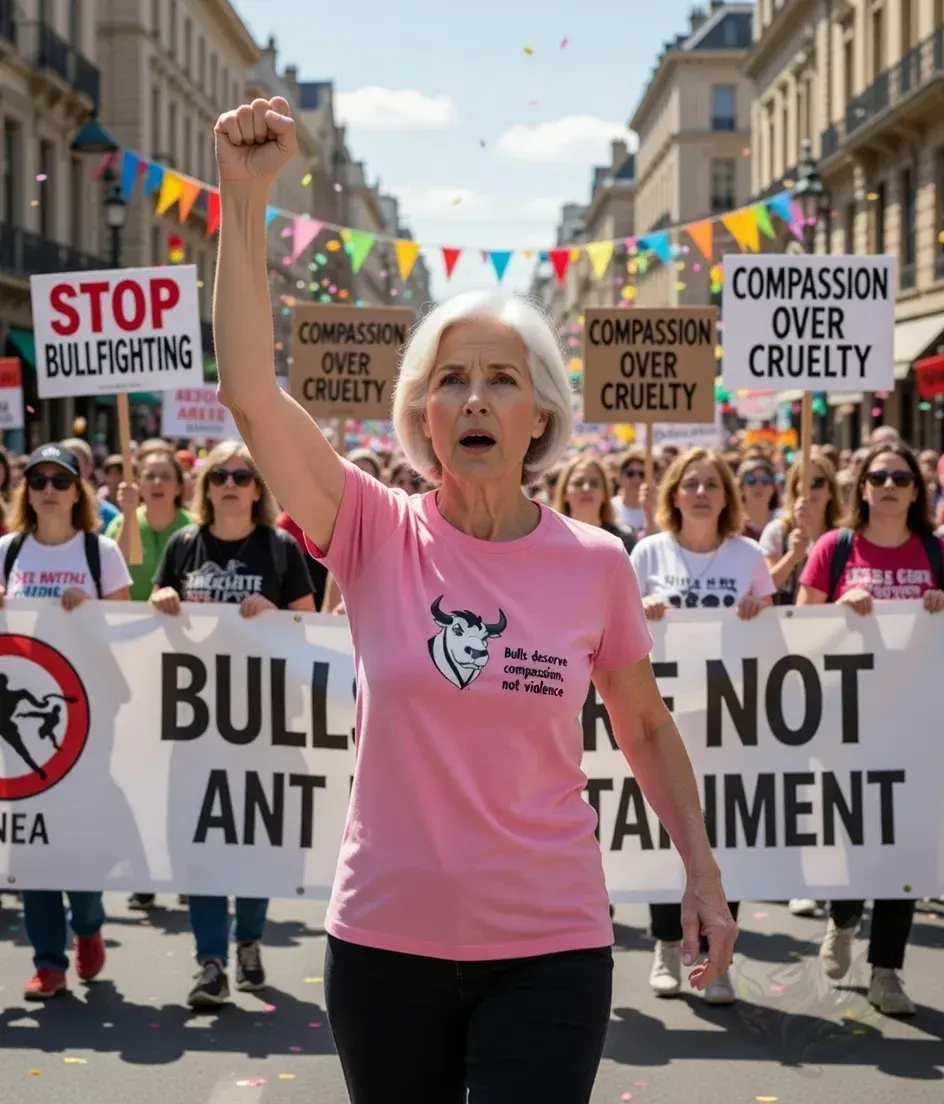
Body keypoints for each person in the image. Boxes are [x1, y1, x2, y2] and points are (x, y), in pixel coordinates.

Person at [210, 94, 737, 1104]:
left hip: (551, 947)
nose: (476, 398)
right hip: (383, 947)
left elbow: (643, 724)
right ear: (422, 415)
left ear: (539, 412)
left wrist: (702, 874)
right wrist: (245, 201)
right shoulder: (369, 528)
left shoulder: (596, 561)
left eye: (501, 379)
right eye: (451, 380)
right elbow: (249, 393)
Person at [150, 438, 316, 1007]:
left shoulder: (279, 548)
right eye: (219, 475)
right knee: (203, 844)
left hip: (261, 725)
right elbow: (156, 619)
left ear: (256, 489)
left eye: (242, 476)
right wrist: (161, 597)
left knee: (253, 840)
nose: (229, 485)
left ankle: (248, 939)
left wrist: (276, 616)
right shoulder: (184, 545)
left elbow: (309, 627)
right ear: (205, 486)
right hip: (196, 726)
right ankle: (211, 962)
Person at [798, 440, 944, 1016]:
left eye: (901, 478)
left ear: (916, 491)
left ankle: (887, 971)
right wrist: (839, 610)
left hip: (916, 728)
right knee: (851, 840)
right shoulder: (834, 549)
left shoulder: (935, 551)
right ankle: (842, 918)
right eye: (878, 477)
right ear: (861, 487)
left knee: (902, 851)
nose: (888, 486)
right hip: (846, 726)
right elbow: (795, 628)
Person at [630, 447, 773, 1004]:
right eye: (690, 483)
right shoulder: (648, 552)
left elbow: (779, 638)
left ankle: (719, 957)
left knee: (723, 842)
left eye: (711, 483)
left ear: (726, 495)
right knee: (664, 833)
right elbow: (618, 625)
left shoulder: (749, 556)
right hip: (663, 719)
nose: (700, 493)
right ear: (673, 493)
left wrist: (761, 612)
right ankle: (667, 946)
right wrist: (642, 608)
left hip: (731, 724)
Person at [0, 443, 131, 999]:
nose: (49, 490)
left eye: (60, 480)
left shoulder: (102, 554)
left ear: (78, 492)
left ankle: (89, 920)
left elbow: (127, 639)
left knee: (79, 836)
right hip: (17, 717)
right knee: (31, 843)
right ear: (26, 493)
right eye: (38, 481)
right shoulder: (7, 552)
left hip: (86, 718)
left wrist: (94, 612)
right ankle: (49, 961)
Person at [106, 447, 194, 912]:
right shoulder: (122, 526)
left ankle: (182, 868)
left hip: (184, 674)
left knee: (180, 777)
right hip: (132, 671)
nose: (157, 483)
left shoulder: (194, 528)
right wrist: (125, 516)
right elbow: (111, 577)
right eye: (149, 476)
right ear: (137, 483)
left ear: (179, 485)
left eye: (165, 475)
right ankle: (143, 871)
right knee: (139, 774)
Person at [552, 454, 635, 554]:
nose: (586, 488)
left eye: (594, 483)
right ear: (564, 493)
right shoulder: (551, 540)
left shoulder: (622, 540)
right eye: (578, 483)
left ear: (604, 494)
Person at [61, 437, 118, 531]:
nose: (68, 472)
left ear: (89, 468)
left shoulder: (110, 515)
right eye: (63, 466)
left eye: (75, 465)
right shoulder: (45, 512)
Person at [736, 455, 780, 541]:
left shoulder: (783, 523)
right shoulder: (733, 526)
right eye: (751, 480)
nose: (759, 485)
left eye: (765, 480)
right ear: (741, 488)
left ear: (773, 488)